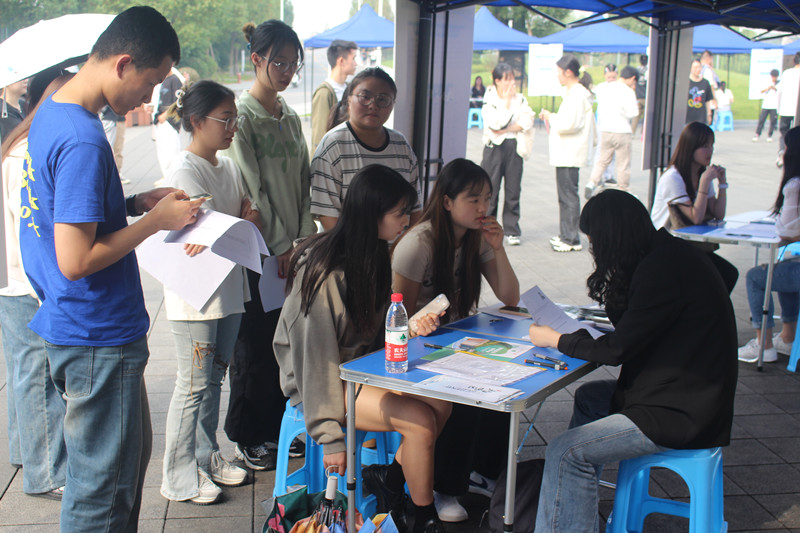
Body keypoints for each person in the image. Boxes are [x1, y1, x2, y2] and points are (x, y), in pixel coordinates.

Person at [18, 7, 204, 531]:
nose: (148, 100)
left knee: (115, 473)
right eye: (149, 84)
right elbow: (75, 259)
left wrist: (132, 201)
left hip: (77, 327)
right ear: (123, 63)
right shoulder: (82, 138)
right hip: (95, 332)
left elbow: (64, 211)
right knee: (103, 492)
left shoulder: (55, 109)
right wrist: (158, 222)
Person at [529, 189, 737, 533]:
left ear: (613, 238)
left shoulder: (660, 270)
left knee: (566, 451)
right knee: (590, 399)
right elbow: (727, 274)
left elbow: (616, 351)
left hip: (681, 410)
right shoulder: (670, 251)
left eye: (596, 243)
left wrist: (556, 339)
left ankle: (565, 514)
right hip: (690, 391)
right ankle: (572, 496)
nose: (595, 251)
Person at [274, 165, 450, 533]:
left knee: (441, 401)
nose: (407, 219)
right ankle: (421, 517)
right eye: (399, 212)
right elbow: (315, 360)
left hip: (357, 369)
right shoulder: (323, 273)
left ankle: (390, 478)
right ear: (373, 214)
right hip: (317, 382)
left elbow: (373, 321)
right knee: (419, 422)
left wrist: (409, 325)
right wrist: (330, 436)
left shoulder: (371, 253)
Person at [391, 158, 520, 522]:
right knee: (463, 391)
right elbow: (397, 312)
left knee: (505, 381)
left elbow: (510, 297)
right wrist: (421, 329)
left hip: (455, 342)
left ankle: (483, 471)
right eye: (473, 200)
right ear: (447, 202)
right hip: (415, 347)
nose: (483, 209)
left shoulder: (476, 238)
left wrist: (499, 246)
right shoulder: (418, 244)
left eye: (488, 200)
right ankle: (443, 485)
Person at [222, 19, 316, 472]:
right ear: (256, 59)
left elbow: (303, 182)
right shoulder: (242, 119)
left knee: (288, 340)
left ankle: (278, 426)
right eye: (279, 62)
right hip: (259, 250)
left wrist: (301, 239)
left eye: (293, 64)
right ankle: (246, 434)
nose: (286, 71)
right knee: (255, 344)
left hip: (292, 248)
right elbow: (253, 190)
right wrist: (280, 245)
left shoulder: (291, 116)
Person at [159, 80, 258, 505]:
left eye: (235, 117)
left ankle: (205, 455)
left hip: (228, 290)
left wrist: (243, 215)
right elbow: (204, 229)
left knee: (215, 378)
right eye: (226, 118)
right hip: (195, 296)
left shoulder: (228, 166)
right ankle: (177, 475)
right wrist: (232, 220)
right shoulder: (184, 169)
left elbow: (242, 214)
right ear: (197, 121)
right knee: (194, 383)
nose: (233, 126)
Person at [0, 71, 70, 500]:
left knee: (25, 373)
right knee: (36, 378)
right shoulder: (22, 154)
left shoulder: (19, 147)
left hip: (18, 282)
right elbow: (29, 229)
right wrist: (41, 290)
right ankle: (46, 473)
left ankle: (26, 452)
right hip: (24, 285)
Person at [311, 67, 423, 231]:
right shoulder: (333, 145)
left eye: (383, 99)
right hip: (347, 252)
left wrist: (400, 250)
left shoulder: (401, 145)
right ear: (349, 100)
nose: (373, 105)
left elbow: (415, 209)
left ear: (393, 104)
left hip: (398, 253)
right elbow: (327, 216)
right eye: (365, 97)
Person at [650, 121, 738, 292]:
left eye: (712, 145)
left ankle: (708, 312)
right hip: (668, 245)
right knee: (720, 277)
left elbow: (719, 214)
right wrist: (704, 183)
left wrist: (722, 184)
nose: (710, 151)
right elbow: (695, 218)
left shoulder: (701, 174)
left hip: (691, 246)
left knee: (727, 274)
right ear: (691, 147)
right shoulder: (673, 177)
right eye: (704, 146)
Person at [738, 126, 800, 363]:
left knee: (756, 277)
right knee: (781, 265)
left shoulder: (794, 185)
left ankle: (764, 343)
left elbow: (787, 229)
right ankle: (788, 336)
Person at [539, 53, 595, 253]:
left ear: (568, 72)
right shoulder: (574, 93)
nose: (557, 76)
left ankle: (571, 238)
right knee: (565, 196)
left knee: (568, 196)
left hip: (570, 153)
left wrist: (550, 116)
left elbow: (570, 124)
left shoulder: (577, 95)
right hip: (567, 152)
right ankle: (566, 234)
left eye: (558, 72)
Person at [479, 63, 535, 246]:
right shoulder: (490, 98)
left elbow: (527, 120)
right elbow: (495, 123)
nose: (511, 82)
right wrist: (507, 105)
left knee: (513, 188)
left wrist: (507, 128)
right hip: (494, 148)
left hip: (514, 146)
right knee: (490, 189)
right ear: (497, 80)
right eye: (507, 78)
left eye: (512, 78)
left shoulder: (521, 99)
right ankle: (487, 226)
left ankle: (512, 229)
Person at [585, 65, 639, 198]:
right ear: (632, 78)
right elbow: (633, 112)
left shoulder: (604, 88)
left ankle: (592, 182)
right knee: (623, 163)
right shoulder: (628, 91)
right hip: (622, 131)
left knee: (602, 160)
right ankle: (623, 188)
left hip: (606, 130)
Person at [311, 39, 357, 154]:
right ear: (341, 61)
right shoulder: (324, 93)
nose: (356, 64)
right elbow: (319, 138)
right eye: (353, 59)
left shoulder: (350, 89)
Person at [153, 70, 184, 180]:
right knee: (163, 154)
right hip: (160, 120)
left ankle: (173, 179)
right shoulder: (163, 81)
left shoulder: (175, 80)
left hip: (169, 122)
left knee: (171, 154)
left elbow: (178, 102)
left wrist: (166, 115)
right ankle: (167, 178)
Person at [777, 52, 800, 167]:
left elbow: (779, 92)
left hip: (786, 108)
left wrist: (778, 108)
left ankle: (782, 153)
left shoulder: (786, 73)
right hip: (797, 111)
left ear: (793, 61)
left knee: (784, 133)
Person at [754, 69, 779, 143]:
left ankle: (769, 135)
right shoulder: (767, 82)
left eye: (775, 77)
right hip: (766, 105)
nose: (774, 78)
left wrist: (774, 88)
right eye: (773, 76)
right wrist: (768, 88)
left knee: (773, 121)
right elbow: (761, 91)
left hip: (774, 105)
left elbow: (780, 91)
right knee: (761, 120)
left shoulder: (779, 83)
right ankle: (757, 134)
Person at [687, 58, 714, 125]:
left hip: (701, 117)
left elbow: (708, 100)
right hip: (688, 117)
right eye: (695, 67)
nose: (697, 69)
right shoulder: (686, 82)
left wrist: (709, 114)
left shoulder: (705, 83)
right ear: (690, 68)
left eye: (699, 67)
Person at [631, 54, 648, 134]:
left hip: (638, 96)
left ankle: (632, 132)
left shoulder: (636, 70)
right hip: (646, 96)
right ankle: (643, 133)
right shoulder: (649, 70)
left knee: (636, 116)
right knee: (646, 117)